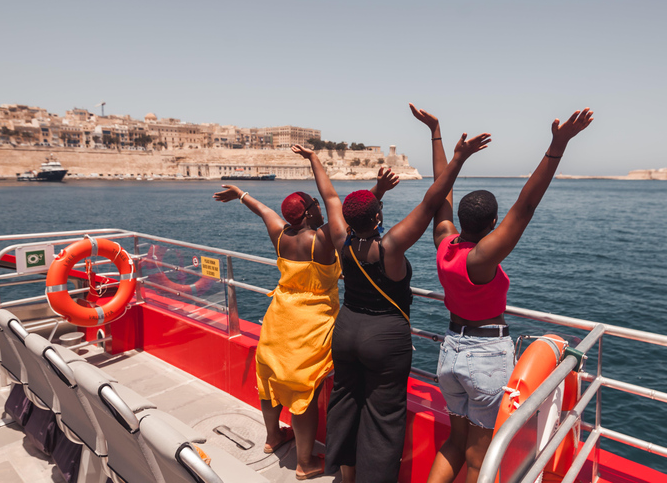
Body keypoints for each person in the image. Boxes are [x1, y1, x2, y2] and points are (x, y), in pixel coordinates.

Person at [293, 123, 490, 483]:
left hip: (347, 329)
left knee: (346, 404)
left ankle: (346, 477)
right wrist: (458, 158)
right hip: (385, 338)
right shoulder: (391, 246)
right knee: (383, 418)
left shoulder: (340, 238)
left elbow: (330, 198)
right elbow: (432, 202)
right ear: (379, 217)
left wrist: (314, 159)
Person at [409, 104, 594, 483]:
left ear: (460, 222)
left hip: (450, 353)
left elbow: (442, 196)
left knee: (454, 443)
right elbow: (525, 207)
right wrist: (557, 146)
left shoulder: (445, 244)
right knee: (479, 456)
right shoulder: (481, 259)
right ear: (493, 224)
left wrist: (437, 134)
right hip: (484, 358)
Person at [212, 169, 398, 480]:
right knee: (303, 391)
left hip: (278, 317)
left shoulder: (280, 233)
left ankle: (272, 438)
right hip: (310, 323)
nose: (319, 207)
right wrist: (378, 189)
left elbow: (264, 210)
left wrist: (241, 195)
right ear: (310, 212)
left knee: (269, 377)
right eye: (314, 204)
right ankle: (304, 462)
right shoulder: (323, 238)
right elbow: (354, 215)